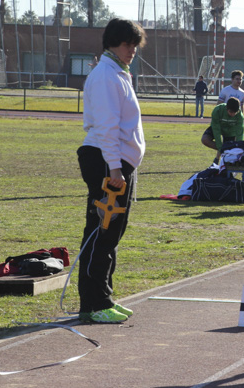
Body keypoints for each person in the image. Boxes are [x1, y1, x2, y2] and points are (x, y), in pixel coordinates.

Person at [77, 18, 147, 323]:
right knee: (101, 231)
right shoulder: (106, 75)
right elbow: (106, 127)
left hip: (117, 161)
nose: (132, 50)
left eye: (134, 45)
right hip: (107, 160)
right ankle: (93, 303)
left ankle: (103, 294)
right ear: (112, 44)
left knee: (112, 233)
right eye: (126, 44)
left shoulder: (119, 73)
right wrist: (115, 169)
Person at [202, 98, 244, 163]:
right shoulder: (217, 110)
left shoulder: (239, 115)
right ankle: (224, 151)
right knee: (205, 139)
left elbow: (239, 133)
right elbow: (216, 130)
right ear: (226, 108)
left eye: (235, 112)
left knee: (232, 148)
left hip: (230, 132)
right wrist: (220, 147)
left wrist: (238, 148)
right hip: (218, 127)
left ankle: (220, 157)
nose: (233, 115)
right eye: (231, 112)